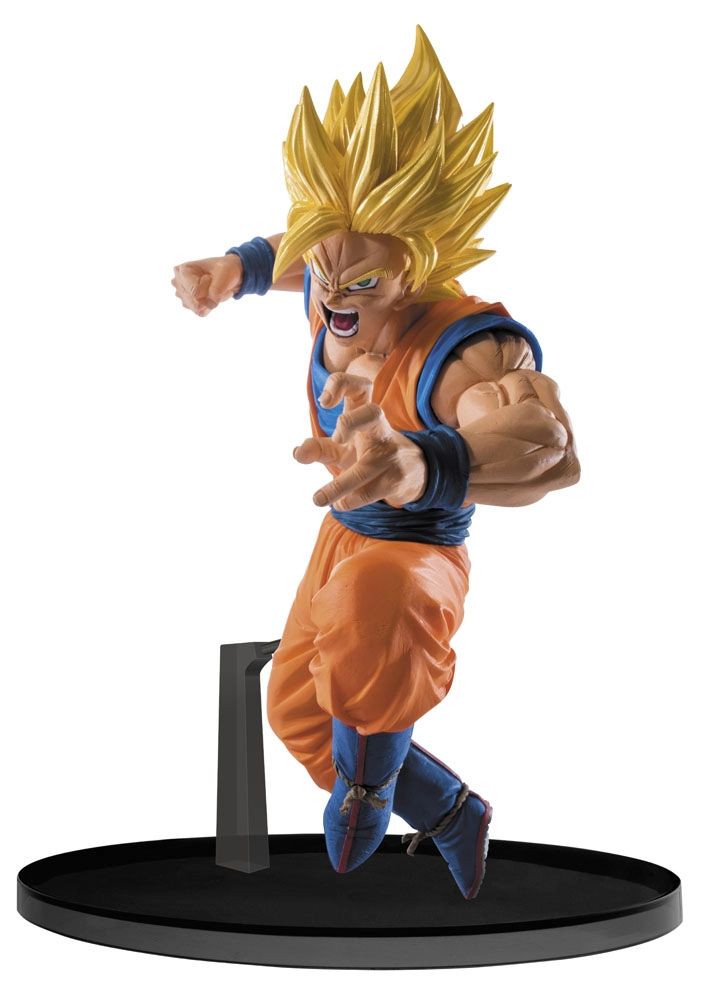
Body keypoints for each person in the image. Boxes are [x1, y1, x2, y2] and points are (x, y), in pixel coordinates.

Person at [172, 27, 579, 899]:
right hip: (342, 530)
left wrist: (425, 461)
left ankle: (369, 794)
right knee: (297, 710)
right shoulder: (334, 280)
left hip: (417, 548)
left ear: (420, 268)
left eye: (364, 283)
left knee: (372, 613)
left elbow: (546, 444)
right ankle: (451, 811)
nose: (334, 297)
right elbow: (316, 250)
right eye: (326, 273)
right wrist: (239, 268)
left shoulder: (468, 347)